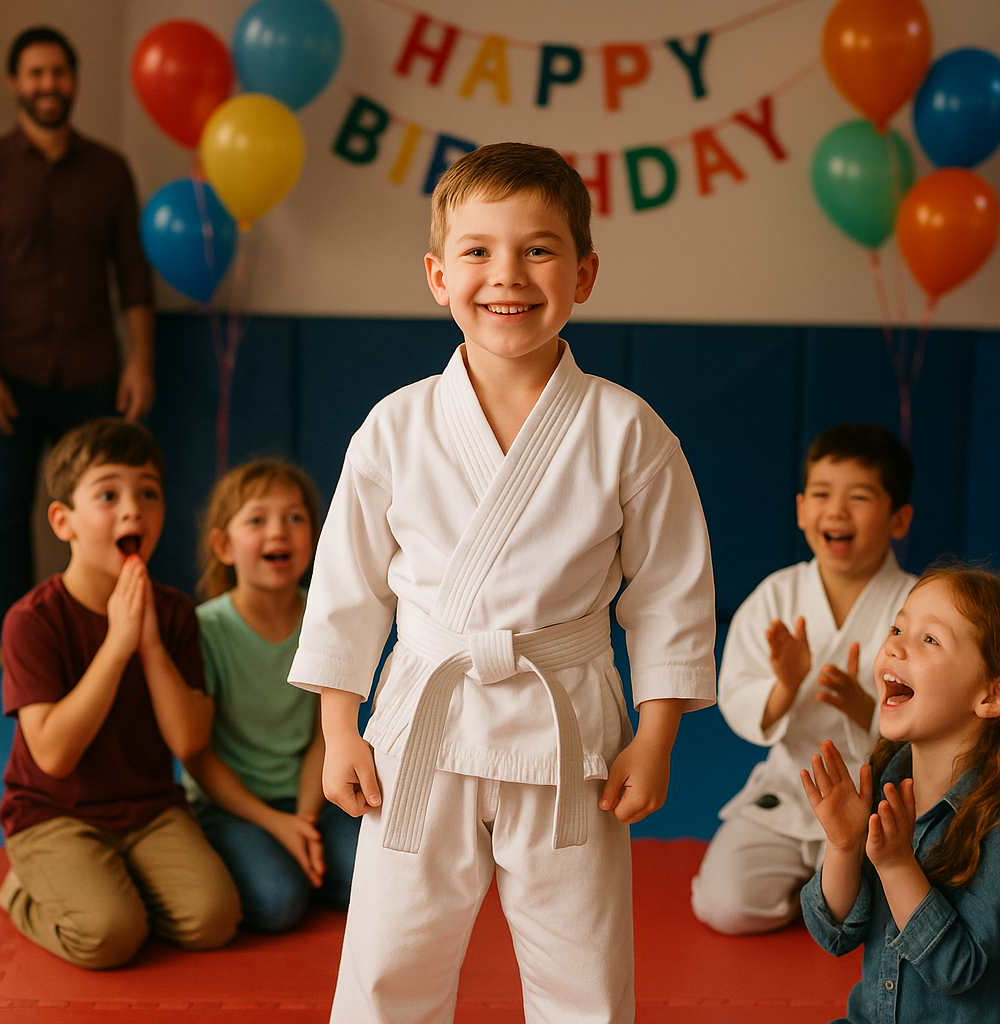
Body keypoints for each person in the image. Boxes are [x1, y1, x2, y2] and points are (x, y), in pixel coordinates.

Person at [288, 142, 717, 1023]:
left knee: (583, 972)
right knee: (388, 961)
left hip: (570, 729)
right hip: (422, 723)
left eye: (539, 248)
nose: (506, 275)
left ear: (585, 273)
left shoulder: (628, 432)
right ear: (438, 275)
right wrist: (339, 727)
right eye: (479, 251)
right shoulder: (395, 426)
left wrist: (657, 734)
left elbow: (673, 592)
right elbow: (348, 587)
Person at [0, 418, 240, 969]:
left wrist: (148, 641)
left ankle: (112, 878)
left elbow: (188, 739)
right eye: (108, 494)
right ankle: (21, 888)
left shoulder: (175, 612)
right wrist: (117, 642)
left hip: (149, 809)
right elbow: (54, 755)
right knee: (108, 937)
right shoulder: (32, 621)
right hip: (54, 812)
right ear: (64, 521)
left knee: (213, 920)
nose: (133, 509)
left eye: (148, 493)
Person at [691, 424, 916, 935]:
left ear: (899, 518)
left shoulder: (920, 604)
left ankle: (829, 888)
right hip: (793, 788)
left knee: (887, 920)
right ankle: (809, 891)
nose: (836, 511)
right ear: (799, 509)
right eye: (821, 495)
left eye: (858, 497)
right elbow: (738, 695)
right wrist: (785, 686)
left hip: (882, 799)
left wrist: (869, 712)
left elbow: (945, 711)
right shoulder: (776, 597)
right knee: (726, 906)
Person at [0, 26, 155, 666]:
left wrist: (141, 360)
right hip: (10, 375)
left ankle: (111, 621)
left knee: (108, 504)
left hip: (92, 371)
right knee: (7, 514)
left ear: (73, 81)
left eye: (59, 72)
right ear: (14, 83)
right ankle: (8, 635)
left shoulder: (109, 170)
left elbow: (132, 275)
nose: (48, 85)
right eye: (35, 73)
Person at [800, 565, 1000, 1023]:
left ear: (990, 695)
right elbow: (833, 933)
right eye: (897, 628)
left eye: (930, 639)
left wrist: (895, 865)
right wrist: (844, 845)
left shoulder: (992, 818)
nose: (893, 645)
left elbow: (959, 968)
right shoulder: (883, 779)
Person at [182, 461, 360, 933]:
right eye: (257, 520)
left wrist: (302, 819)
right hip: (233, 805)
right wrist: (274, 825)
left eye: (294, 518)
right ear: (224, 545)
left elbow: (326, 734)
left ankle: (305, 858)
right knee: (279, 903)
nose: (278, 532)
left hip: (310, 796)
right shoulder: (207, 629)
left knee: (371, 881)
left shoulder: (324, 618)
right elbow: (197, 755)